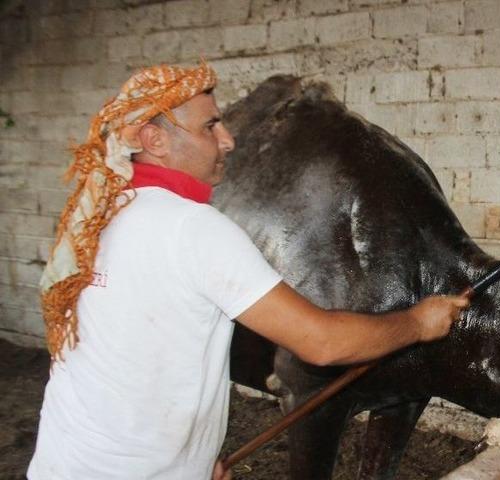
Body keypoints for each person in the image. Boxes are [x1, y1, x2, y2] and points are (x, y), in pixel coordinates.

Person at [28, 62, 469, 480]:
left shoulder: (97, 218)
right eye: (209, 127)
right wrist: (418, 322)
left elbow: (125, 355)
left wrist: (192, 461)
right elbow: (321, 342)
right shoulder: (194, 228)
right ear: (153, 139)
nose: (229, 139)